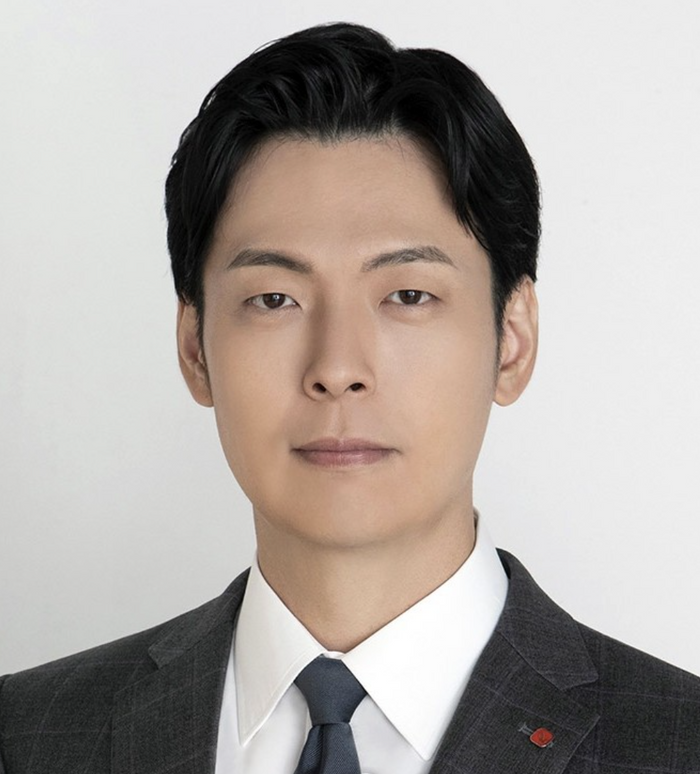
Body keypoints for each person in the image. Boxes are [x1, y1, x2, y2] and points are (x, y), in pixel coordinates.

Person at [1, 20, 698, 774]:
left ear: (513, 340)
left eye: (407, 294)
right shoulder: (28, 735)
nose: (337, 368)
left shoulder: (678, 743)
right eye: (274, 299)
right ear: (195, 347)